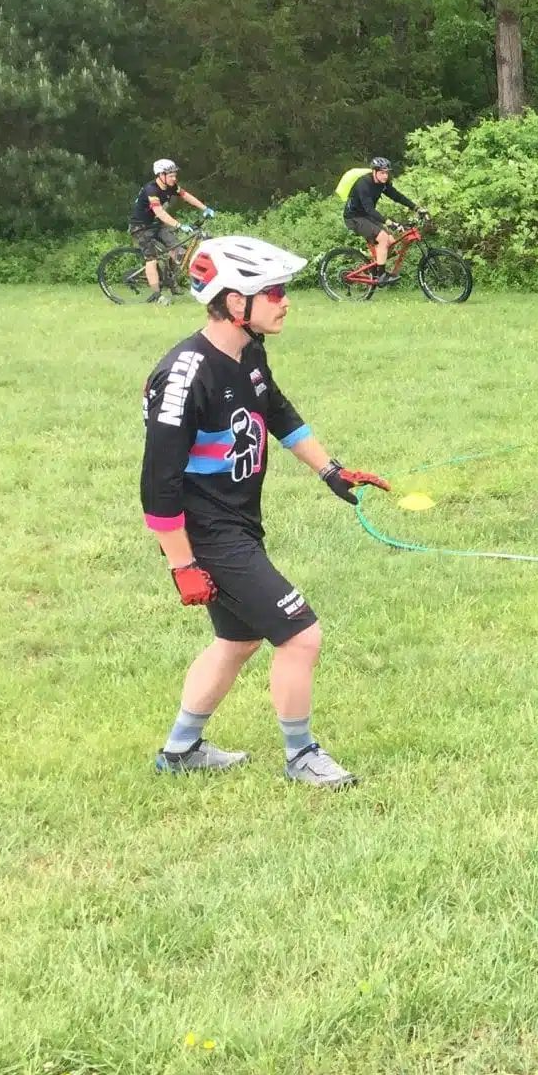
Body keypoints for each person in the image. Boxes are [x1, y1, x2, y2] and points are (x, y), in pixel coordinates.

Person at [140, 235, 390, 788]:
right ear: (236, 302)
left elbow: (276, 410)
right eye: (273, 293)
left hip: (239, 525)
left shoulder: (247, 351)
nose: (285, 302)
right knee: (301, 635)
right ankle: (301, 756)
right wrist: (182, 565)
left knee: (238, 639)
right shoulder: (185, 376)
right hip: (209, 535)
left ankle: (180, 752)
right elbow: (157, 487)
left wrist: (331, 470)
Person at [130, 159, 215, 302]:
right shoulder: (151, 190)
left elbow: (186, 195)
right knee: (151, 259)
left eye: (175, 175)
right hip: (141, 227)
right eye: (171, 176)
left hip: (157, 224)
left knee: (177, 250)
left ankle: (170, 280)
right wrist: (178, 225)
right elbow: (160, 212)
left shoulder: (171, 186)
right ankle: (157, 296)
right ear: (160, 175)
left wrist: (204, 208)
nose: (174, 178)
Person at [342, 158, 420, 285]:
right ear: (374, 172)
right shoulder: (363, 184)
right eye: (382, 173)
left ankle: (376, 267)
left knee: (391, 241)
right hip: (354, 217)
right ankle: (381, 276)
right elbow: (370, 210)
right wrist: (389, 223)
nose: (385, 176)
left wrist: (415, 207)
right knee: (383, 238)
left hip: (367, 216)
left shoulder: (383, 183)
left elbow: (397, 196)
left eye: (387, 173)